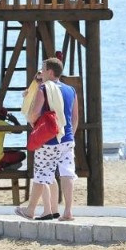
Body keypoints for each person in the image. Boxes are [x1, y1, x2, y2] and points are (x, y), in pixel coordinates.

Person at [15, 58, 78, 222]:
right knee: (67, 173)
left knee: (41, 174)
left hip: (49, 140)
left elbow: (35, 114)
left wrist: (30, 116)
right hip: (67, 138)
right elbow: (75, 117)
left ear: (50, 72)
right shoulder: (71, 90)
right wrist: (70, 135)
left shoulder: (44, 89)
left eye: (43, 69)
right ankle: (68, 212)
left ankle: (30, 210)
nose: (41, 72)